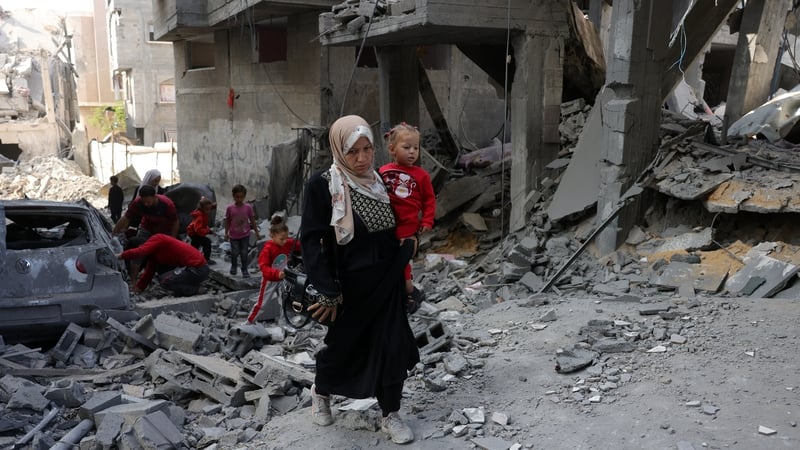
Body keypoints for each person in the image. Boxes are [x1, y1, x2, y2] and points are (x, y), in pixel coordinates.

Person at [301, 115, 419, 444]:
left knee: (393, 346)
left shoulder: (381, 181)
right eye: (353, 151)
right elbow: (310, 241)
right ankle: (321, 391)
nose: (362, 158)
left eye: (367, 149)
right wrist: (326, 289)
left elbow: (400, 225)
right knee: (344, 347)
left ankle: (390, 413)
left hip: (387, 280)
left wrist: (410, 250)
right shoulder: (323, 185)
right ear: (339, 150)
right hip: (348, 287)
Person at [379, 122, 435, 313]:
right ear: (392, 149)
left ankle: (409, 292)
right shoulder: (383, 172)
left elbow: (429, 200)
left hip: (407, 227)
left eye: (416, 148)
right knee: (388, 261)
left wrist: (427, 220)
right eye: (406, 147)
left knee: (402, 261)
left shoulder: (421, 175)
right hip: (385, 227)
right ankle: (401, 293)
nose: (412, 152)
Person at [112, 185, 179, 282]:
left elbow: (175, 222)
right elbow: (126, 218)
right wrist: (113, 234)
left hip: (163, 230)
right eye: (144, 202)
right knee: (139, 252)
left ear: (155, 196)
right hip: (146, 228)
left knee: (163, 253)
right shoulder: (138, 203)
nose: (146, 204)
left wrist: (172, 239)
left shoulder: (166, 204)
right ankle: (133, 281)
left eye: (148, 202)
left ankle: (165, 275)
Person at [244, 215, 299, 324]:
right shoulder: (268, 249)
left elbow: (299, 245)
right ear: (272, 236)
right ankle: (249, 321)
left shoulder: (287, 243)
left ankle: (285, 322)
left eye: (286, 238)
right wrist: (276, 273)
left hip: (283, 279)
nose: (285, 241)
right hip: (269, 280)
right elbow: (264, 268)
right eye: (282, 239)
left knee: (285, 301)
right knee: (262, 303)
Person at [116, 234, 209, 296]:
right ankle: (192, 285)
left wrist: (120, 256)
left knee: (165, 281)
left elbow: (141, 251)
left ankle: (196, 290)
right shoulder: (154, 255)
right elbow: (149, 273)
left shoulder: (158, 238)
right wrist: (138, 288)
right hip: (195, 269)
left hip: (198, 269)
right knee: (164, 277)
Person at [224, 184, 260, 277]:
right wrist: (226, 233)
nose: (239, 199)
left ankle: (244, 269)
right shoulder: (230, 208)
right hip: (233, 235)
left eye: (241, 197)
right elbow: (227, 221)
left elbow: (252, 220)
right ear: (233, 196)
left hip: (245, 235)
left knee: (244, 253)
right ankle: (234, 266)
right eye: (237, 197)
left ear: (244, 196)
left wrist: (256, 232)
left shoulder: (248, 207)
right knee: (234, 252)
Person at [187, 196, 216, 264]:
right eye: (207, 209)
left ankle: (193, 257)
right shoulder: (200, 216)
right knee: (207, 242)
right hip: (195, 233)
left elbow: (203, 225)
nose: (209, 211)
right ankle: (206, 259)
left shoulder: (202, 212)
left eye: (209, 209)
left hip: (193, 232)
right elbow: (198, 229)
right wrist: (208, 231)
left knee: (195, 245)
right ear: (202, 208)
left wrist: (208, 230)